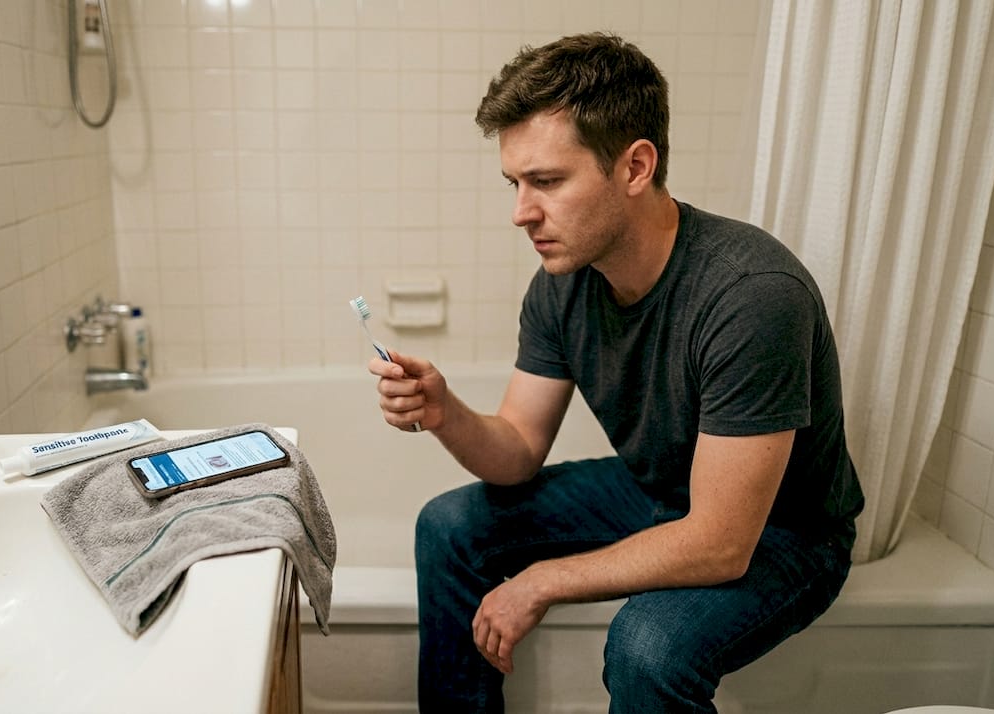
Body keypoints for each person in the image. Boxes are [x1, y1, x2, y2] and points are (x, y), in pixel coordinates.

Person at [365, 32, 865, 713]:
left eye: (546, 181)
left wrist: (540, 580)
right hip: (657, 490)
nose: (521, 213)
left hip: (782, 533)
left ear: (634, 167)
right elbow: (515, 451)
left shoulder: (751, 294)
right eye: (515, 183)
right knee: (450, 524)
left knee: (648, 646)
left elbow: (721, 542)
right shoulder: (562, 283)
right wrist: (444, 409)